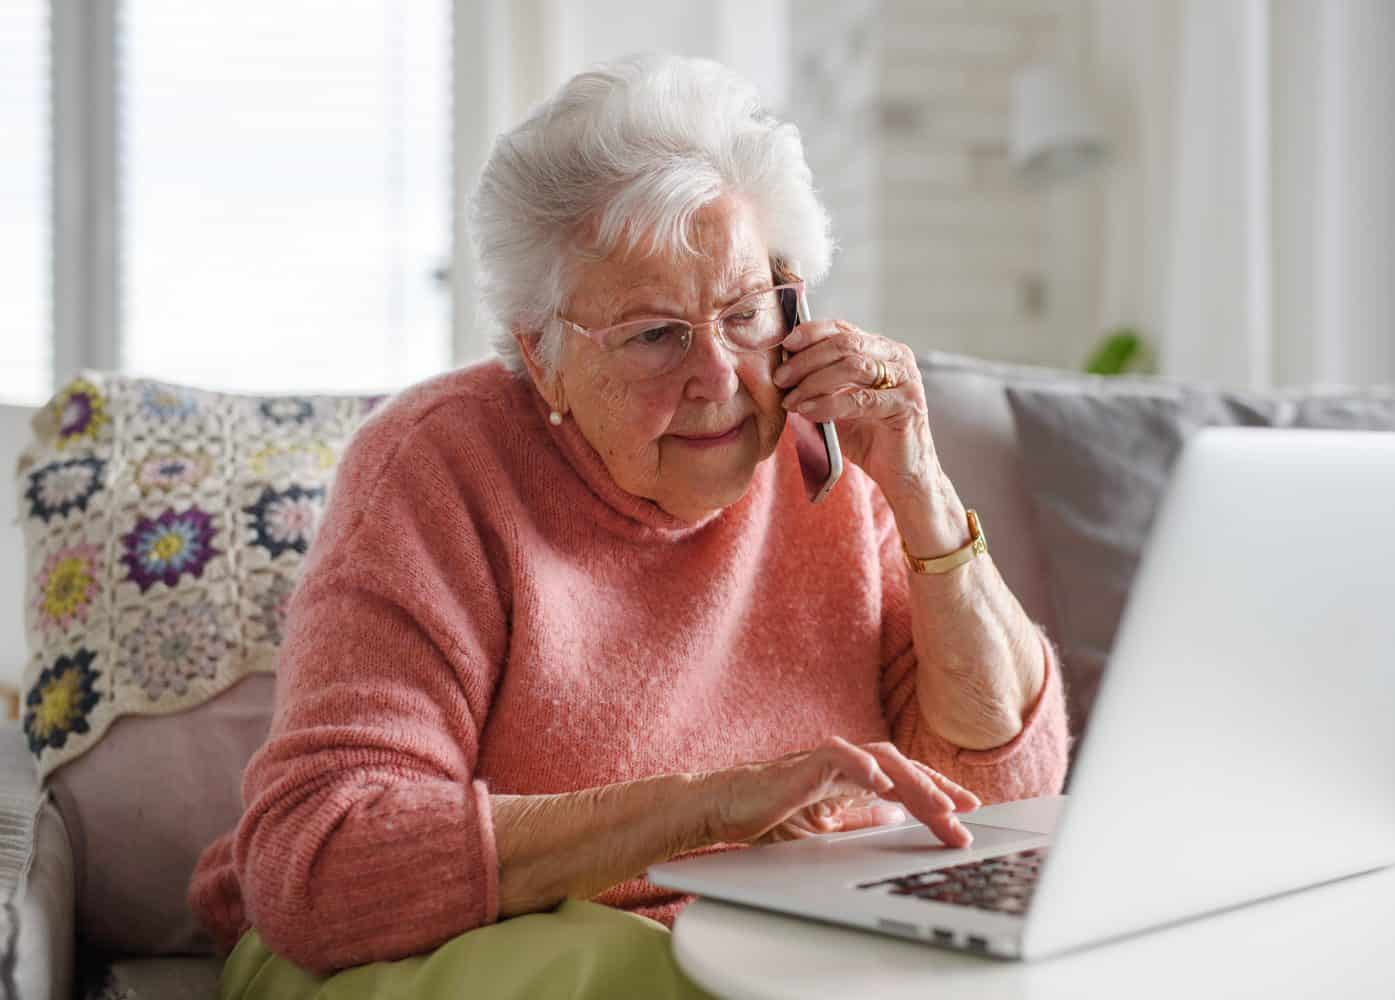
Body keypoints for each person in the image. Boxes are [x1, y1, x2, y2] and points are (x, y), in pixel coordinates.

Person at [190, 53, 1068, 998]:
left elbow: (1005, 798)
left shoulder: (832, 458)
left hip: (781, 945)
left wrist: (922, 490)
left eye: (744, 316)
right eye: (656, 335)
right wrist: (704, 809)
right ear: (545, 355)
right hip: (467, 947)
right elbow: (323, 866)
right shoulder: (435, 469)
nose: (720, 379)